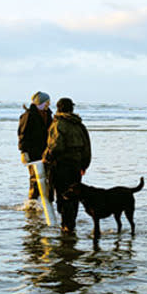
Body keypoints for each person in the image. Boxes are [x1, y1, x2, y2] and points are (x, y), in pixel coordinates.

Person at [43, 98, 91, 233]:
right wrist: (84, 165)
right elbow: (87, 146)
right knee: (73, 196)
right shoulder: (79, 124)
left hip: (61, 165)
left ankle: (66, 226)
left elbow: (56, 146)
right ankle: (70, 224)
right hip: (76, 165)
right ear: (72, 108)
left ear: (58, 108)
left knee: (63, 196)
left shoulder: (58, 124)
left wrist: (46, 159)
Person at [17, 92, 53, 200]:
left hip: (45, 151)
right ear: (40, 102)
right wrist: (23, 152)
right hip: (33, 151)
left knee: (46, 177)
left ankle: (44, 202)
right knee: (35, 178)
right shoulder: (28, 116)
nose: (48, 104)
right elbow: (22, 134)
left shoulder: (48, 114)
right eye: (47, 102)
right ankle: (32, 202)